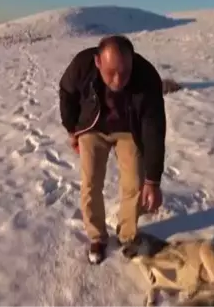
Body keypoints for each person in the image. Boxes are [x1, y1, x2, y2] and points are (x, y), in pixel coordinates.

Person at [59, 35, 166, 265]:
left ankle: (127, 236)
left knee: (135, 182)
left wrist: (153, 180)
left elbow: (154, 129)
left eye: (125, 72)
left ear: (133, 62)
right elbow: (66, 92)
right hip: (92, 127)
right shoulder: (82, 65)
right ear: (98, 62)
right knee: (91, 182)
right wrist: (71, 129)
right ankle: (97, 237)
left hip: (129, 130)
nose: (118, 80)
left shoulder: (147, 77)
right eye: (110, 73)